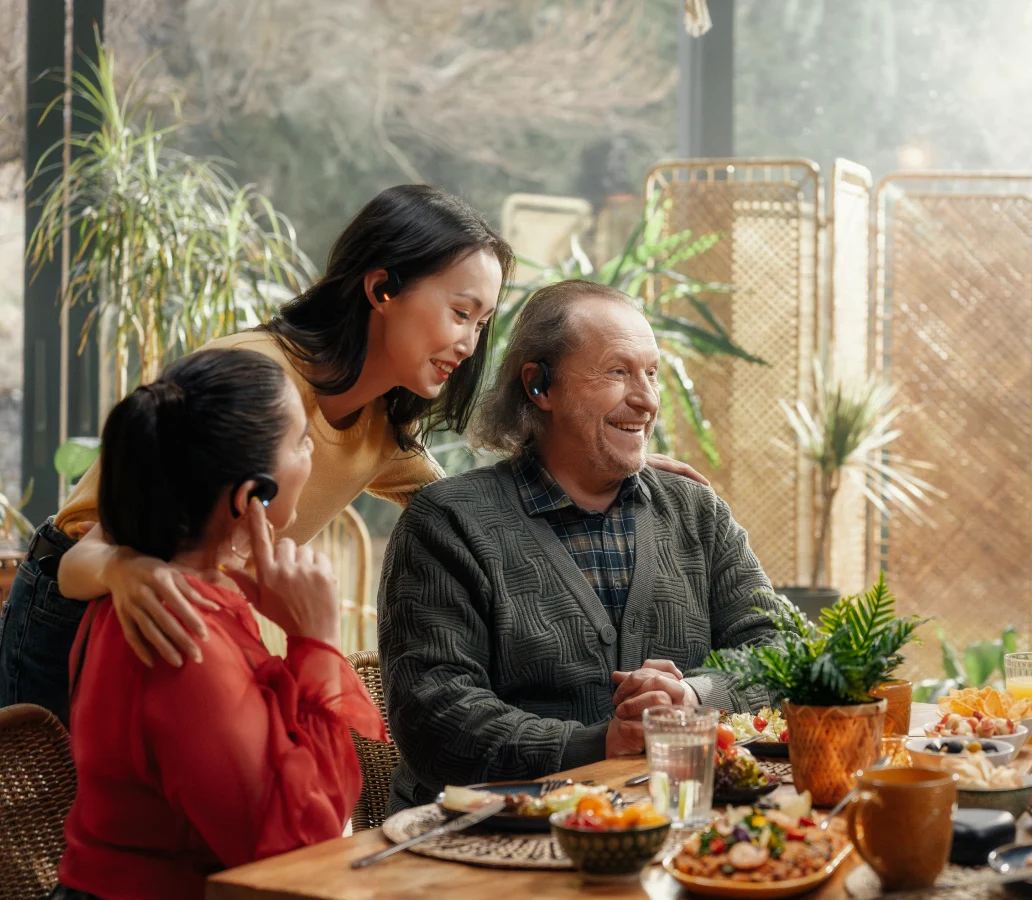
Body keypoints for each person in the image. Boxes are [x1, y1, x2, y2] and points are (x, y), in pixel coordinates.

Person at [0, 184, 704, 725]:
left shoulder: (379, 427)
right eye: (460, 312)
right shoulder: (257, 380)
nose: (468, 343)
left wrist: (615, 466)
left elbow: (492, 504)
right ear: (381, 287)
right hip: (81, 604)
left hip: (185, 620)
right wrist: (128, 567)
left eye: (482, 322)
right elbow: (77, 554)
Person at [377, 279, 783, 812]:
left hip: (669, 831)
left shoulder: (696, 512)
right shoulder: (447, 523)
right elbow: (434, 715)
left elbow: (778, 650)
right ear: (539, 386)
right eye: (618, 372)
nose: (646, 399)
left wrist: (693, 697)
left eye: (651, 373)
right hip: (486, 846)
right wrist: (602, 743)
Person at [52, 348, 385, 900]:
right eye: (302, 442)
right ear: (251, 496)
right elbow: (300, 851)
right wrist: (318, 641)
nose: (311, 455)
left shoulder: (172, 589)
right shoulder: (183, 632)